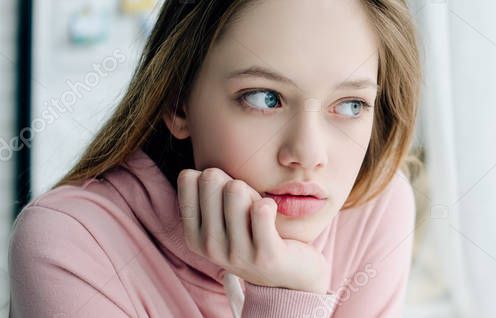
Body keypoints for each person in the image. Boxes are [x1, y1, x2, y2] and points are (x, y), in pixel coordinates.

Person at [9, 0, 421, 316]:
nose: (308, 155)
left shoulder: (374, 211)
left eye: (350, 105)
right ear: (178, 103)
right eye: (266, 99)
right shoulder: (72, 244)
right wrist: (288, 299)